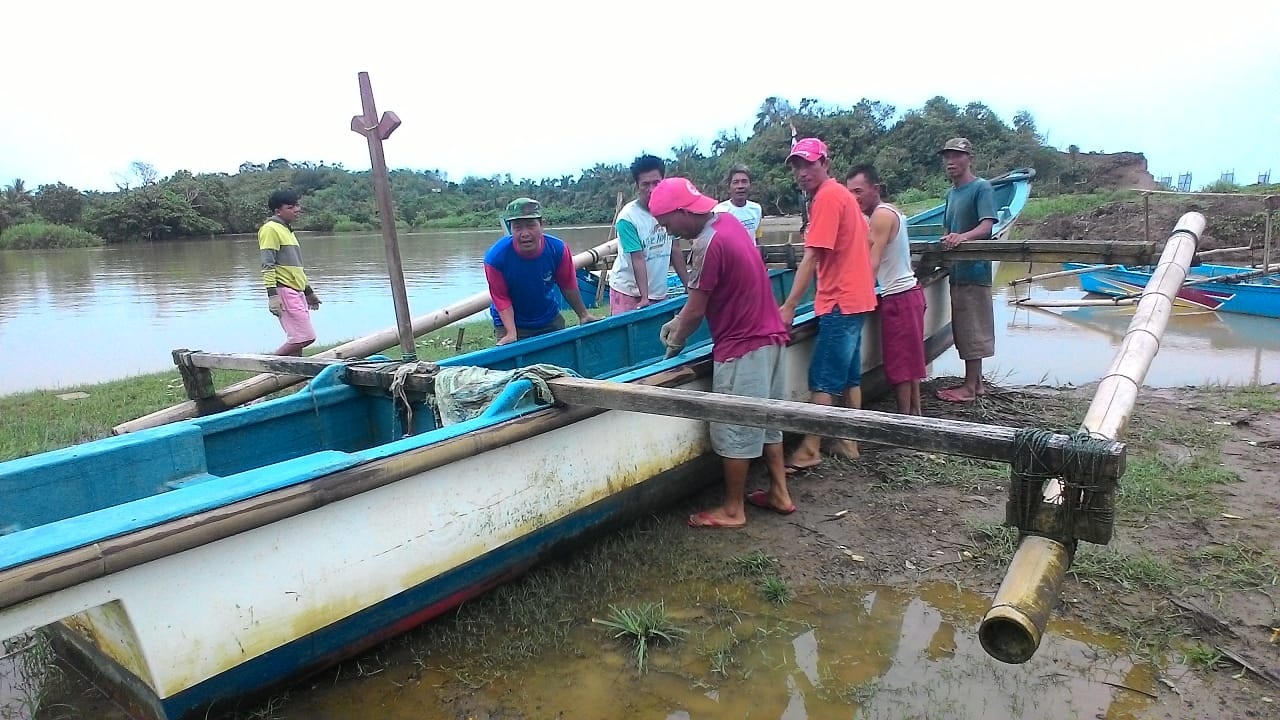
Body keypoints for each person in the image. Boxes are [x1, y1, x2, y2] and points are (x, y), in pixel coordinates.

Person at [650, 177, 793, 529]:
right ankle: (780, 493)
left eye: (668, 224)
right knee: (769, 419)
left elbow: (697, 310)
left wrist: (675, 342)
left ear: (682, 212)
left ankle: (733, 509)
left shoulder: (706, 244)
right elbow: (706, 297)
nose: (670, 232)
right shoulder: (726, 223)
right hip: (771, 336)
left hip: (743, 345)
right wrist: (679, 318)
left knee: (735, 425)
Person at [777, 138, 878, 471]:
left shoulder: (827, 199)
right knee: (848, 375)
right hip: (858, 297)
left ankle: (810, 447)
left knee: (823, 377)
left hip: (840, 300)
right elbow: (863, 240)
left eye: (809, 164)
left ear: (825, 164)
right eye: (797, 166)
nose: (802, 172)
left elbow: (811, 257)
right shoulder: (843, 196)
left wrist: (789, 306)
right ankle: (848, 440)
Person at [846, 165, 926, 415]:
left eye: (859, 191)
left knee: (900, 365)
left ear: (875, 189)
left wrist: (859, 298)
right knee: (911, 361)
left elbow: (873, 261)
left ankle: (903, 422)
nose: (854, 198)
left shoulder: (880, 216)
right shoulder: (889, 211)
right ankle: (916, 416)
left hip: (899, 297)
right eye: (850, 193)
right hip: (909, 293)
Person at [484, 197, 600, 345]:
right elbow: (501, 297)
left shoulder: (558, 249)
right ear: (510, 228)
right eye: (518, 227)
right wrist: (511, 333)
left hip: (548, 318)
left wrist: (584, 315)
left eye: (531, 225)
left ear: (542, 224)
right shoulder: (495, 258)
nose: (525, 233)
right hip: (511, 322)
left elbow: (568, 284)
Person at [935, 137, 998, 403]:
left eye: (956, 156)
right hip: (957, 272)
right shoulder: (952, 194)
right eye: (947, 157)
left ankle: (969, 388)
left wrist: (962, 237)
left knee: (973, 329)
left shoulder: (981, 188)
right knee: (964, 328)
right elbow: (948, 230)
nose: (950, 162)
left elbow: (987, 226)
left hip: (974, 271)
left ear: (968, 158)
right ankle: (977, 384)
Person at [607, 154, 689, 314]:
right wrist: (645, 298)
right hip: (628, 292)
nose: (651, 190)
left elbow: (675, 250)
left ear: (663, 181)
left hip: (659, 291)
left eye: (656, 183)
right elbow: (637, 258)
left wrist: (688, 286)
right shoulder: (627, 218)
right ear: (637, 185)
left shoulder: (671, 210)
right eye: (645, 184)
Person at [259, 189, 320, 356]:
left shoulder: (287, 230)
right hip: (284, 289)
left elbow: (295, 267)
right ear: (278, 210)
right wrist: (272, 295)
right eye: (291, 206)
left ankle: (295, 379)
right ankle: (268, 364)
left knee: (297, 339)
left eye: (297, 205)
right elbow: (268, 264)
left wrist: (308, 291)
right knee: (304, 337)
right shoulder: (270, 229)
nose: (297, 209)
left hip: (296, 290)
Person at [713, 164, 765, 243]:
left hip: (750, 255)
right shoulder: (719, 211)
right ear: (729, 187)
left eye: (744, 182)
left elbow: (757, 238)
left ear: (750, 185)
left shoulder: (756, 209)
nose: (740, 186)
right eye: (735, 182)